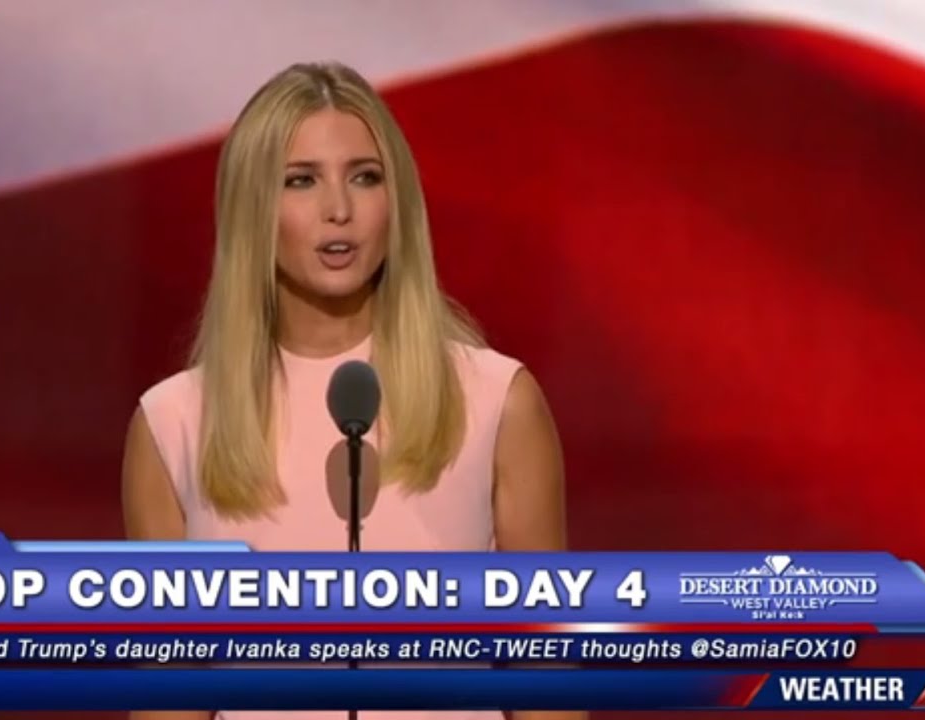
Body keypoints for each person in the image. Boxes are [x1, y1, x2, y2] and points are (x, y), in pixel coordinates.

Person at [122, 62, 582, 720]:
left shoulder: (497, 402)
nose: (339, 209)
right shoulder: (174, 425)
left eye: (365, 177)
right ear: (253, 208)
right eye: (301, 180)